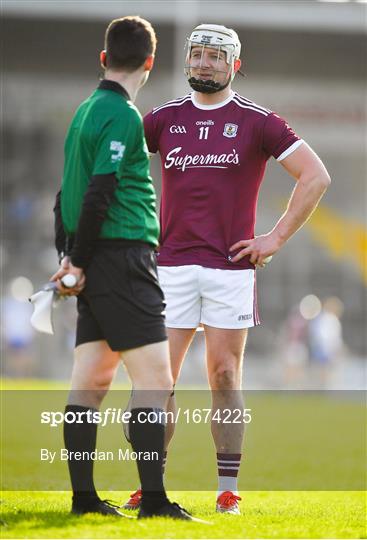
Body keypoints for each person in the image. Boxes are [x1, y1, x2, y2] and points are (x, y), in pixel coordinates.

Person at [124, 23, 331, 514]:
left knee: (223, 375)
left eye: (216, 56)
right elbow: (117, 170)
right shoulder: (162, 119)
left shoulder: (259, 122)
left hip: (230, 270)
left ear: (235, 64)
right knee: (159, 381)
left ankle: (226, 490)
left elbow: (316, 175)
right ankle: (152, 489)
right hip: (169, 267)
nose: (203, 63)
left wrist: (275, 237)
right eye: (196, 54)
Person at [51, 16, 193, 520]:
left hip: (94, 258)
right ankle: (153, 502)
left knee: (89, 378)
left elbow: (64, 193)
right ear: (151, 63)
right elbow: (100, 190)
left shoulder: (85, 111)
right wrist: (83, 260)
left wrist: (67, 256)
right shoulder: (124, 116)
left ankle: (84, 499)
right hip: (123, 258)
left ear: (103, 58)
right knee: (155, 379)